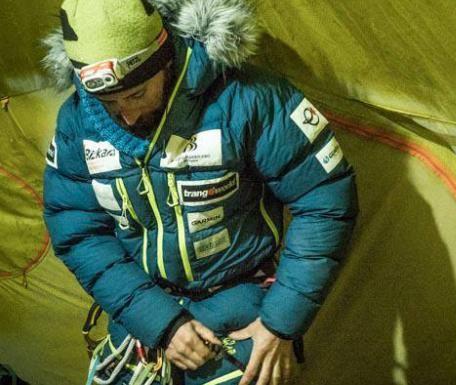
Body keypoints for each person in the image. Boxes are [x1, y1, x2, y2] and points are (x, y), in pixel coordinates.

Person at [41, 0, 358, 384]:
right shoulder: (77, 121)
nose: (125, 116)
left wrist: (280, 323)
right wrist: (158, 321)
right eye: (108, 103)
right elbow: (77, 232)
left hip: (243, 314)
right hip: (142, 315)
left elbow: (324, 198)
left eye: (137, 95)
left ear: (165, 59)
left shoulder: (247, 98)